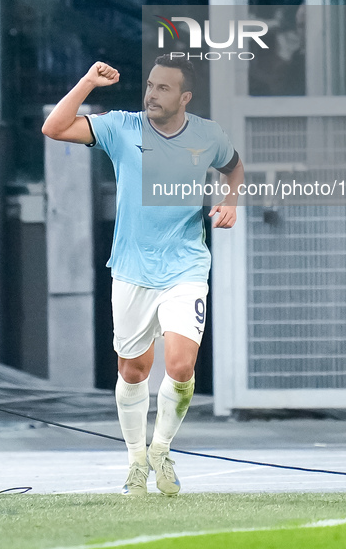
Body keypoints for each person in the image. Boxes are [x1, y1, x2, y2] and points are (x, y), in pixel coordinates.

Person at [42, 55, 243, 496]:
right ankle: (136, 459)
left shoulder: (209, 135)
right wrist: (88, 82)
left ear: (185, 97)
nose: (151, 94)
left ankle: (161, 449)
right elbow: (54, 128)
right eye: (150, 85)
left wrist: (230, 201)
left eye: (163, 88)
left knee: (181, 364)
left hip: (186, 265)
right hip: (132, 268)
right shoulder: (121, 127)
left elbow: (234, 167)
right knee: (134, 369)